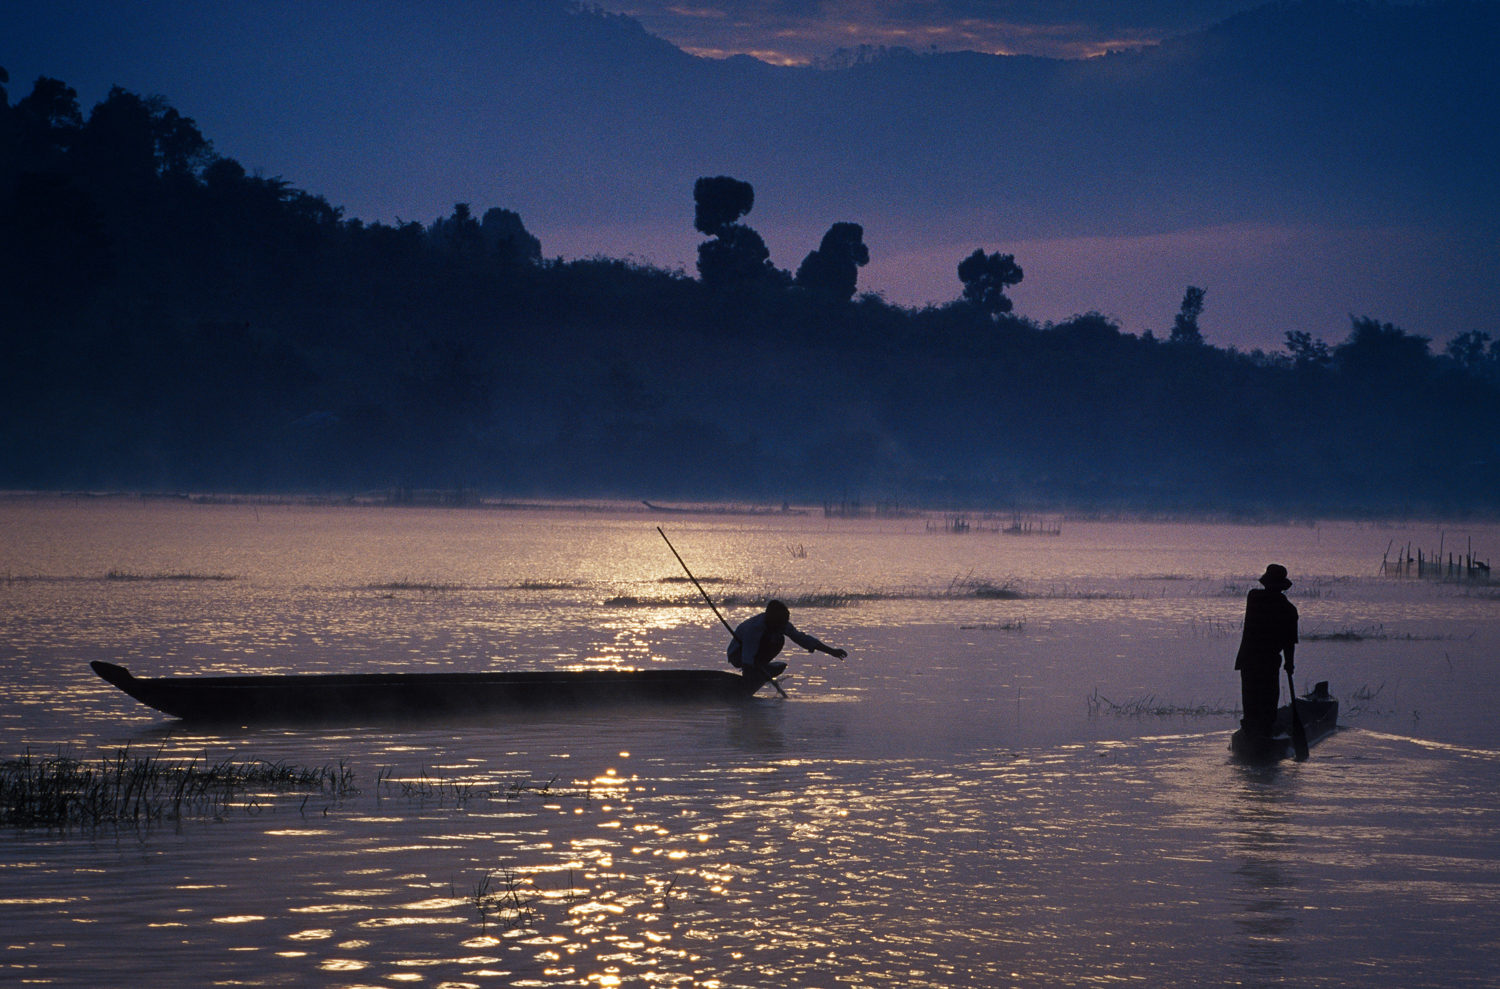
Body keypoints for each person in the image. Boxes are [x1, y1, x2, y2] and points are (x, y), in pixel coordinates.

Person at [1235, 564, 1299, 737]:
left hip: (1249, 659)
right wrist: (1290, 663)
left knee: (1250, 701)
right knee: (1268, 702)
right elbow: (1289, 642)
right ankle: (1263, 735)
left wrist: (1289, 663)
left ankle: (1252, 734)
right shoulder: (1289, 610)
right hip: (1268, 661)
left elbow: (1289, 641)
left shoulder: (1254, 597)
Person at [727, 599, 847, 682]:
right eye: (781, 622)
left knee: (779, 639)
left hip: (754, 657)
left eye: (785, 622)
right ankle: (756, 671)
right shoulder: (755, 628)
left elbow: (802, 639)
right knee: (774, 640)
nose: (783, 625)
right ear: (772, 619)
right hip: (737, 655)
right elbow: (747, 656)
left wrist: (831, 651)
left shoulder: (782, 625)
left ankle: (759, 668)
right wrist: (747, 680)